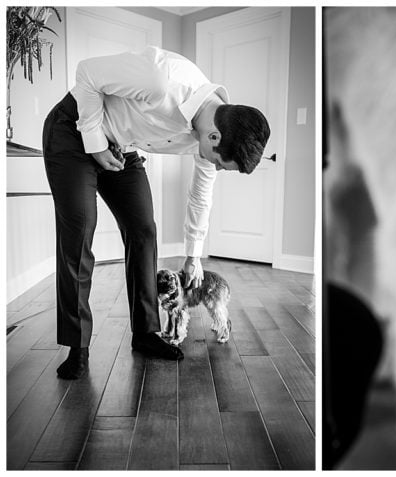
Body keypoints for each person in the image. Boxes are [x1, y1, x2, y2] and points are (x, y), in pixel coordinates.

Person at [41, 46, 271, 379]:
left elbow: (201, 194)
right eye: (220, 161)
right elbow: (87, 71)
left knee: (143, 229)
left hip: (121, 144)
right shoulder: (163, 81)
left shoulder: (210, 133)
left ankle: (146, 333)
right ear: (214, 136)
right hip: (74, 131)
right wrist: (95, 143)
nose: (216, 168)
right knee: (80, 230)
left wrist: (193, 255)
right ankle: (78, 348)